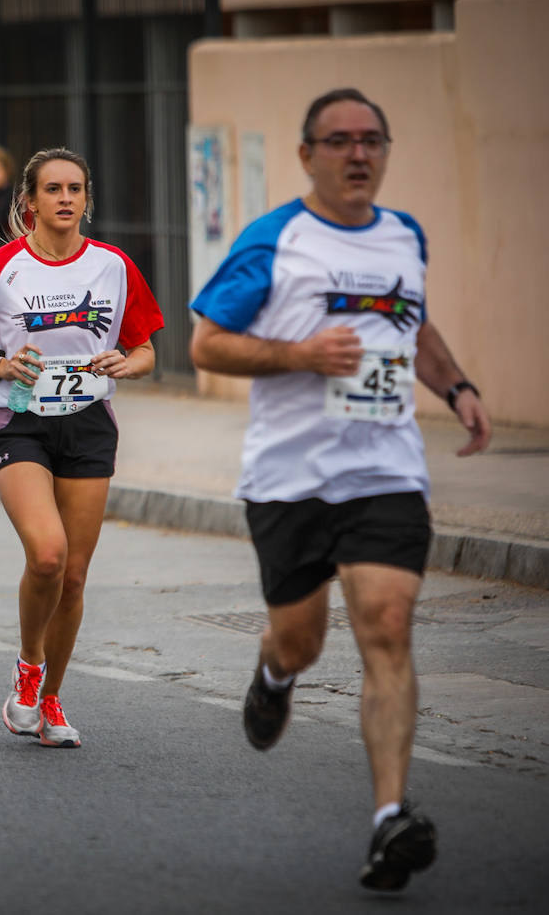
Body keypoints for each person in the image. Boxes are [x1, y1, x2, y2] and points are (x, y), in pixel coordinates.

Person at [188, 88, 492, 891]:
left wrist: (458, 387)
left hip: (384, 470)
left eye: (371, 140)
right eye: (339, 141)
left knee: (387, 626)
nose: (358, 154)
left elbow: (413, 324)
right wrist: (298, 355)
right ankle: (275, 673)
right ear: (306, 155)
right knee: (303, 639)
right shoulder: (274, 241)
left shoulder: (404, 236)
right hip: (290, 478)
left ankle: (390, 818)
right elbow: (206, 344)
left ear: (386, 150)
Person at [0, 148, 163, 750]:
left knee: (73, 576)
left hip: (89, 422)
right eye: (53, 189)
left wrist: (130, 363)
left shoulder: (114, 266)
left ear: (87, 200)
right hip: (19, 422)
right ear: (29, 202)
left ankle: (52, 697)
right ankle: (29, 664)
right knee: (47, 554)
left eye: (76, 188)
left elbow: (145, 349)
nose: (66, 198)